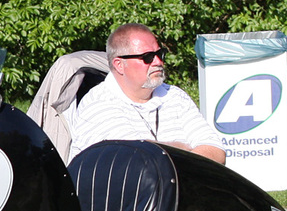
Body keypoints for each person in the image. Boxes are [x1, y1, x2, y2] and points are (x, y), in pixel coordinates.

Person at [68, 23, 226, 164]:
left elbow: (216, 152)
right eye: (147, 57)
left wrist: (171, 153)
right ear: (119, 65)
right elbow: (136, 158)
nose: (158, 62)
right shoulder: (98, 103)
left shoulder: (176, 97)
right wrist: (185, 148)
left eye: (160, 54)